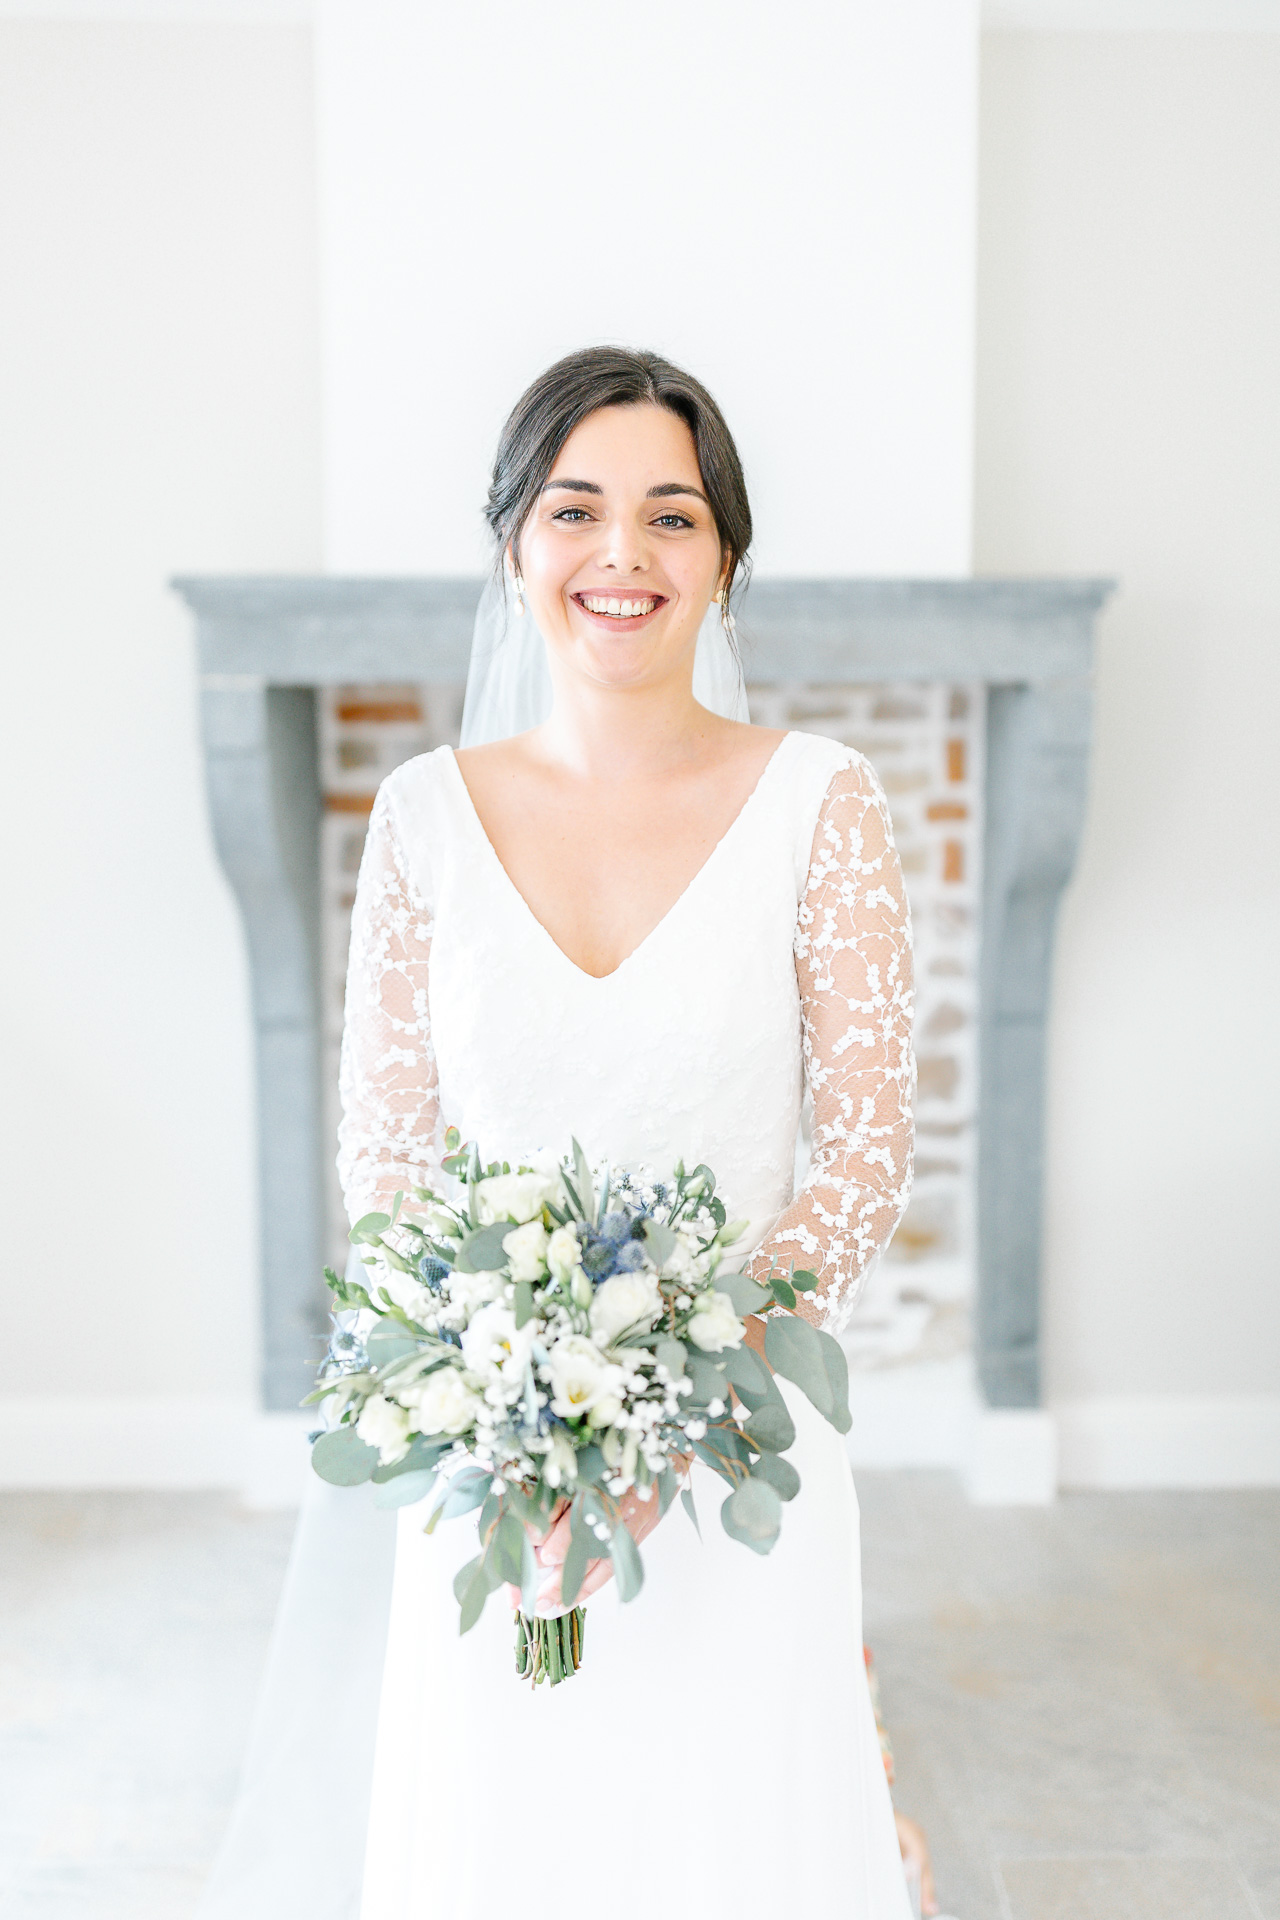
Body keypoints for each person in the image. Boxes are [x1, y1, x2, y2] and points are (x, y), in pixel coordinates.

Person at [331, 345, 917, 1918]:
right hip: (489, 1471)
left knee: (732, 1840)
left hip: (742, 1462)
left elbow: (861, 1155)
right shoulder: (422, 820)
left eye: (673, 517)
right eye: (577, 509)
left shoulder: (821, 801)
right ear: (515, 543)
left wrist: (673, 1421)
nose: (622, 557)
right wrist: (507, 1423)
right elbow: (388, 1173)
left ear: (725, 558)